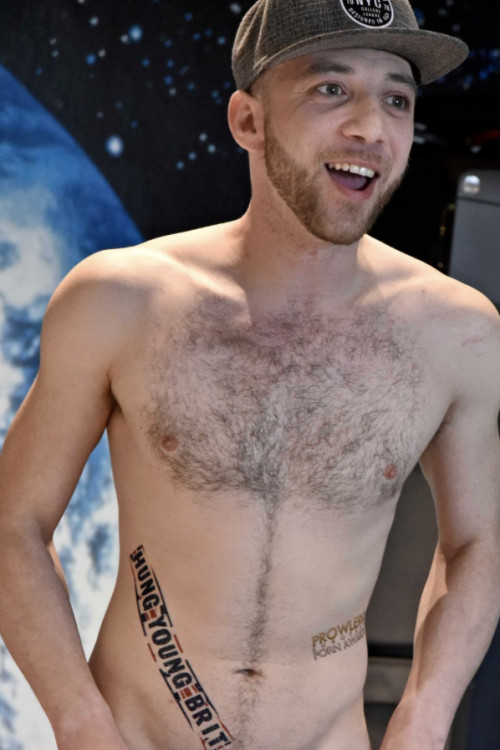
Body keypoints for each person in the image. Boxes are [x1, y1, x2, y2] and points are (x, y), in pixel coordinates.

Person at [0, 0, 499, 748]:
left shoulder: (458, 331)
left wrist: (424, 722)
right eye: (332, 89)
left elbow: (478, 545)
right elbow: (14, 524)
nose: (371, 127)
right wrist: (80, 725)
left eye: (397, 99)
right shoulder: (121, 299)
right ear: (248, 121)